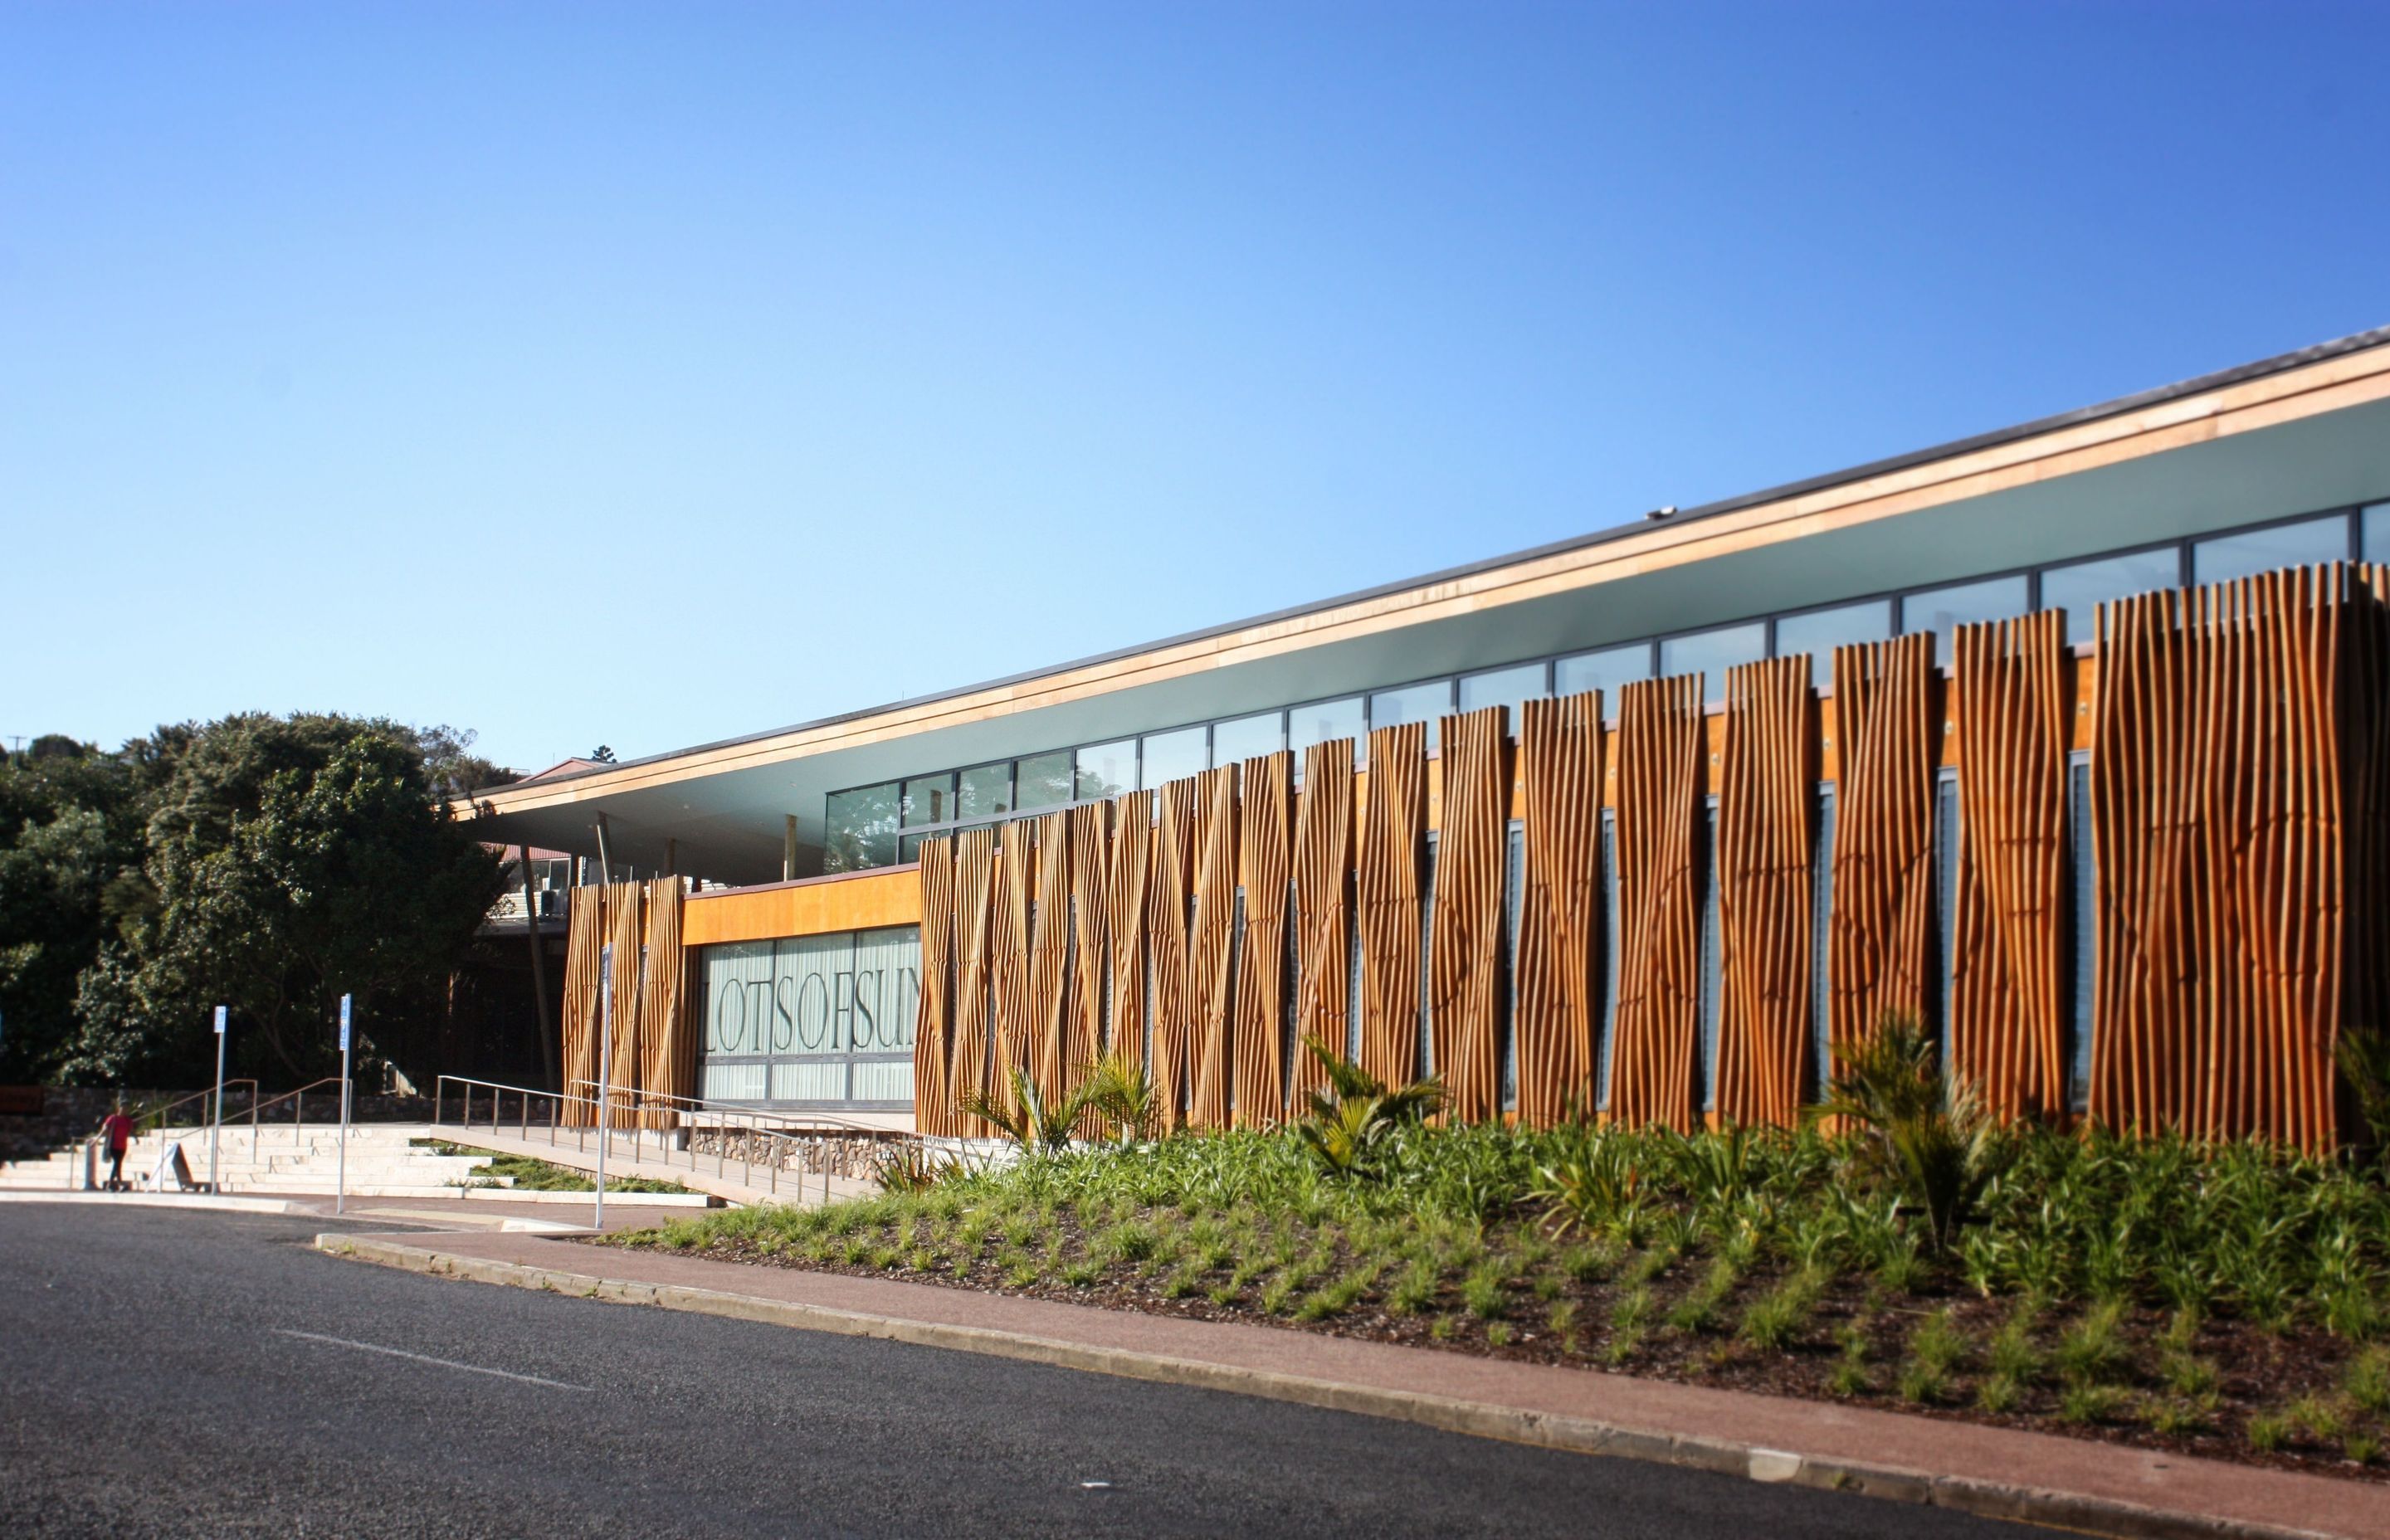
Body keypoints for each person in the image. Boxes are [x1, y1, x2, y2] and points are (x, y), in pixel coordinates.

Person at [99, 1099, 135, 1192]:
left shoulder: (128, 1120)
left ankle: (115, 1184)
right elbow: (105, 1128)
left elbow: (131, 1131)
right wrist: (97, 1139)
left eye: (127, 1108)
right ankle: (116, 1183)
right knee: (117, 1163)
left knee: (118, 1164)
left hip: (122, 1146)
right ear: (119, 1108)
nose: (126, 1110)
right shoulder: (113, 1118)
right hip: (113, 1145)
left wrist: (136, 1138)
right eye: (124, 1107)